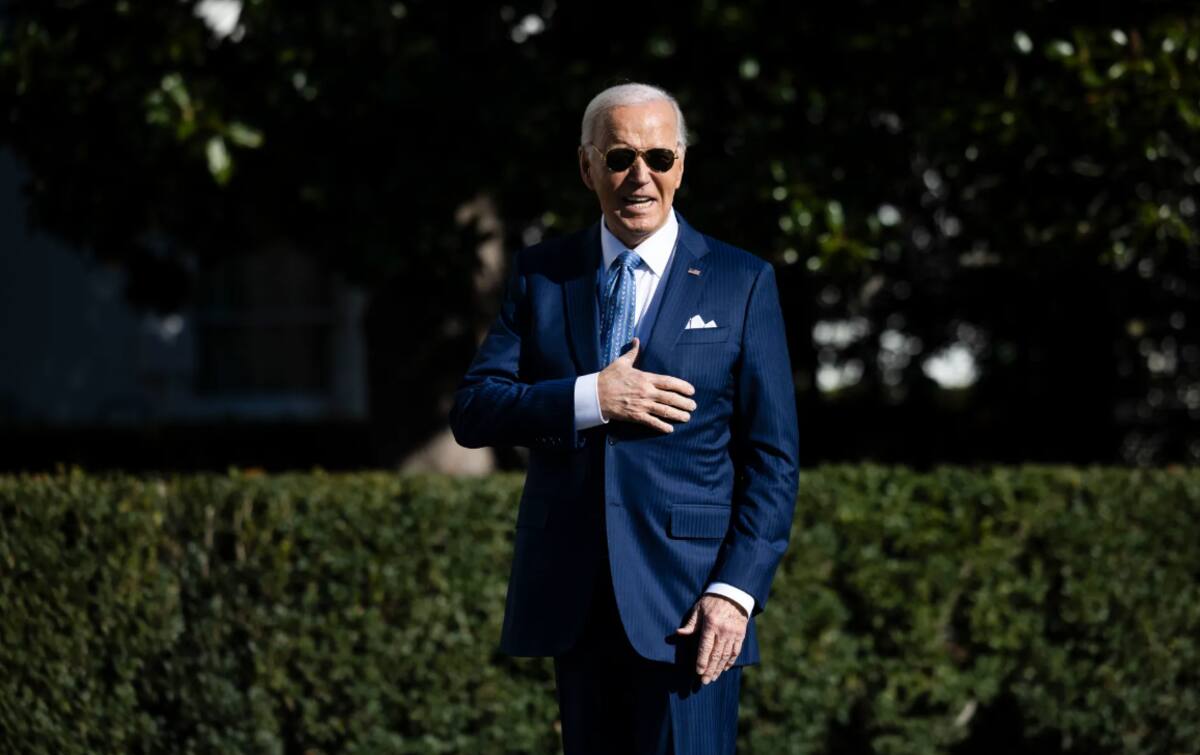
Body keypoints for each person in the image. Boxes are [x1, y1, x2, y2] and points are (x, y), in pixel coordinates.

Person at [450, 82, 800, 754]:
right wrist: (592, 397)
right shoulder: (543, 275)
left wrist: (735, 592)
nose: (641, 176)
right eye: (619, 158)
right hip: (575, 601)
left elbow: (773, 459)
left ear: (681, 165)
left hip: (691, 606)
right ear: (587, 167)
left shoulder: (742, 280)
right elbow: (474, 410)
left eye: (659, 157)